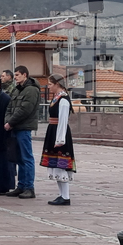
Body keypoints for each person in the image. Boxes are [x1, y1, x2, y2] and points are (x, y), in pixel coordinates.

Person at [39, 74, 76, 205]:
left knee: (61, 164)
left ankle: (65, 196)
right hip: (53, 131)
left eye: (50, 84)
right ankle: (62, 195)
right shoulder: (57, 98)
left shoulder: (64, 100)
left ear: (57, 84)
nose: (48, 87)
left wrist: (60, 139)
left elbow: (63, 121)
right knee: (56, 164)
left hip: (60, 133)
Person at [4, 66, 40, 199]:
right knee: (18, 158)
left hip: (23, 128)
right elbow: (10, 107)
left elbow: (25, 110)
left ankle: (29, 187)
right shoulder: (17, 90)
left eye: (18, 75)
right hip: (15, 127)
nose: (16, 77)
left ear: (25, 75)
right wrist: (8, 121)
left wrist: (10, 122)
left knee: (26, 158)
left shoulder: (31, 90)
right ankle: (21, 186)